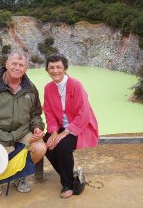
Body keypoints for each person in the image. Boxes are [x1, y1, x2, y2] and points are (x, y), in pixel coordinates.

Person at [0, 50, 46, 197]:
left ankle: (19, 176)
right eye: (14, 63)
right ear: (6, 64)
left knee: (40, 148)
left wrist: (37, 127)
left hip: (22, 131)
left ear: (26, 68)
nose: (17, 67)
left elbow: (36, 114)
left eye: (21, 65)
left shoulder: (30, 88)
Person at [43, 53, 99, 198]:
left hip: (80, 126)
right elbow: (48, 112)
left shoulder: (75, 85)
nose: (55, 71)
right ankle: (71, 176)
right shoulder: (48, 88)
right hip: (60, 127)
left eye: (58, 67)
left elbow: (84, 114)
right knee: (47, 144)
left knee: (62, 146)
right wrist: (54, 132)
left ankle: (67, 184)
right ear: (47, 70)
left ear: (65, 68)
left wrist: (65, 133)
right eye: (51, 67)